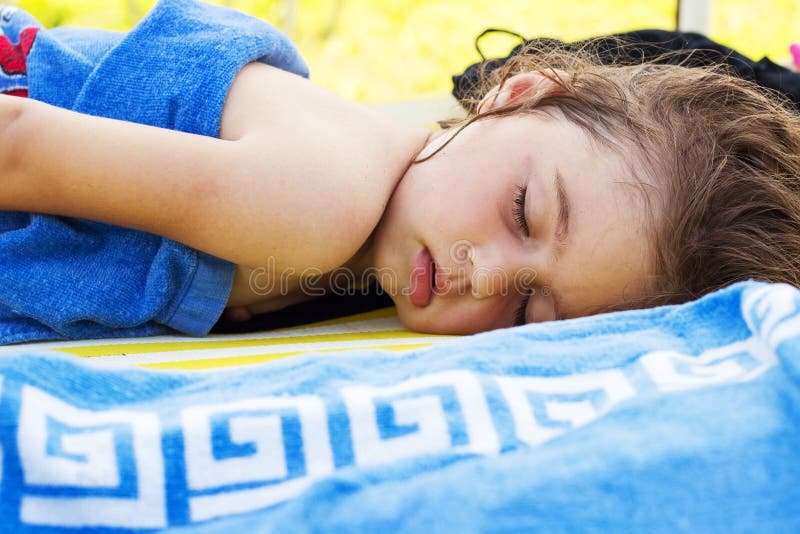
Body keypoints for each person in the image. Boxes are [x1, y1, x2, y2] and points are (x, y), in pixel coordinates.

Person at [1, 0, 799, 343]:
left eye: (527, 312)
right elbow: (17, 145)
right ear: (518, 93)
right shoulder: (318, 202)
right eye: (523, 210)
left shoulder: (349, 261)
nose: (482, 276)